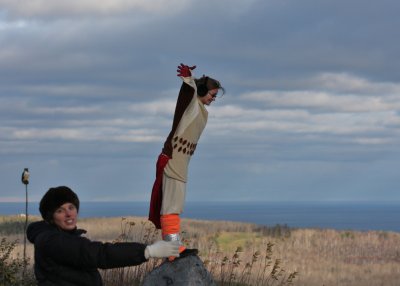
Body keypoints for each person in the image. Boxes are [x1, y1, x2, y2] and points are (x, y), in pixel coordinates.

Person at [27, 186, 180, 286]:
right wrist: (148, 251)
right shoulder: (51, 241)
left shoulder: (64, 237)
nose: (68, 214)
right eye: (60, 210)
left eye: (71, 207)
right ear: (50, 217)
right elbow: (98, 254)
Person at [148, 63, 225, 260]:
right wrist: (189, 80)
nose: (213, 99)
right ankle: (173, 251)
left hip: (181, 164)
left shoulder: (201, 110)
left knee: (175, 205)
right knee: (171, 206)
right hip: (173, 161)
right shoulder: (191, 105)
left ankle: (174, 249)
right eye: (212, 94)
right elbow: (186, 95)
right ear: (201, 90)